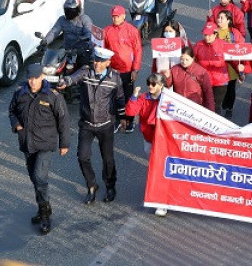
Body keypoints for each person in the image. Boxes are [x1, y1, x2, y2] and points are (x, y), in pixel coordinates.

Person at [57, 47, 125, 205]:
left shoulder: (115, 78)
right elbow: (73, 78)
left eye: (100, 62)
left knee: (108, 159)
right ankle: (92, 185)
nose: (96, 64)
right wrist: (65, 82)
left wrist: (123, 118)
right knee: (82, 157)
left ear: (108, 62)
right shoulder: (86, 72)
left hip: (106, 124)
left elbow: (120, 98)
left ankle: (110, 186)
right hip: (87, 124)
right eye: (95, 60)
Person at [9, 63, 69, 235]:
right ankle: (44, 207)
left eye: (36, 78)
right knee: (35, 180)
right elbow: (11, 111)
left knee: (40, 178)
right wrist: (17, 125)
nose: (32, 82)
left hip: (45, 144)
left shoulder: (52, 95)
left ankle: (44, 216)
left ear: (42, 77)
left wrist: (64, 143)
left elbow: (63, 119)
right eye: (30, 78)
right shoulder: (20, 92)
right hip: (27, 143)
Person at [124, 73, 168, 217]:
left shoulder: (168, 98)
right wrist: (134, 96)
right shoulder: (143, 97)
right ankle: (155, 194)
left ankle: (162, 203)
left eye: (153, 84)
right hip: (148, 138)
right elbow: (131, 111)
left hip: (163, 141)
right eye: (148, 83)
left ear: (161, 85)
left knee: (160, 170)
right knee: (153, 168)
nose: (150, 86)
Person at [102, 5, 143, 134]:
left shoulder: (132, 31)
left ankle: (130, 121)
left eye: (117, 16)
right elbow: (103, 49)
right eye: (113, 16)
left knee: (128, 97)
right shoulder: (107, 31)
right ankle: (118, 121)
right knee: (113, 97)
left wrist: (135, 69)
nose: (115, 18)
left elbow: (138, 50)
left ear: (124, 16)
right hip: (113, 70)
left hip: (128, 71)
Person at [43, 0, 95, 69]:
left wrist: (84, 37)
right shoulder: (62, 19)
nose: (68, 13)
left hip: (82, 51)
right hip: (67, 50)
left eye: (71, 10)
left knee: (83, 70)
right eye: (67, 10)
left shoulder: (84, 19)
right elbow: (54, 31)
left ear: (77, 10)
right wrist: (45, 41)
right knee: (52, 65)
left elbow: (88, 32)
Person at [163, 46, 215, 112]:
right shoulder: (175, 69)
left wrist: (211, 111)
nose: (184, 62)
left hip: (195, 107)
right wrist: (167, 77)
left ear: (193, 58)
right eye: (182, 59)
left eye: (187, 60)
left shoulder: (201, 72)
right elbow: (167, 86)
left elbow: (208, 92)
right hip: (178, 106)